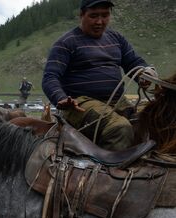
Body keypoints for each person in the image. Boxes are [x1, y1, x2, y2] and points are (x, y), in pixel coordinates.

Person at [42, 0, 156, 151]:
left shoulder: (116, 38)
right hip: (81, 104)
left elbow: (133, 62)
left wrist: (145, 73)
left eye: (105, 15)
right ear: (81, 15)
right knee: (119, 128)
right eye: (93, 16)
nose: (100, 21)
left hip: (117, 101)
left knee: (150, 122)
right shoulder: (66, 43)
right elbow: (50, 77)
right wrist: (61, 98)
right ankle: (108, 172)